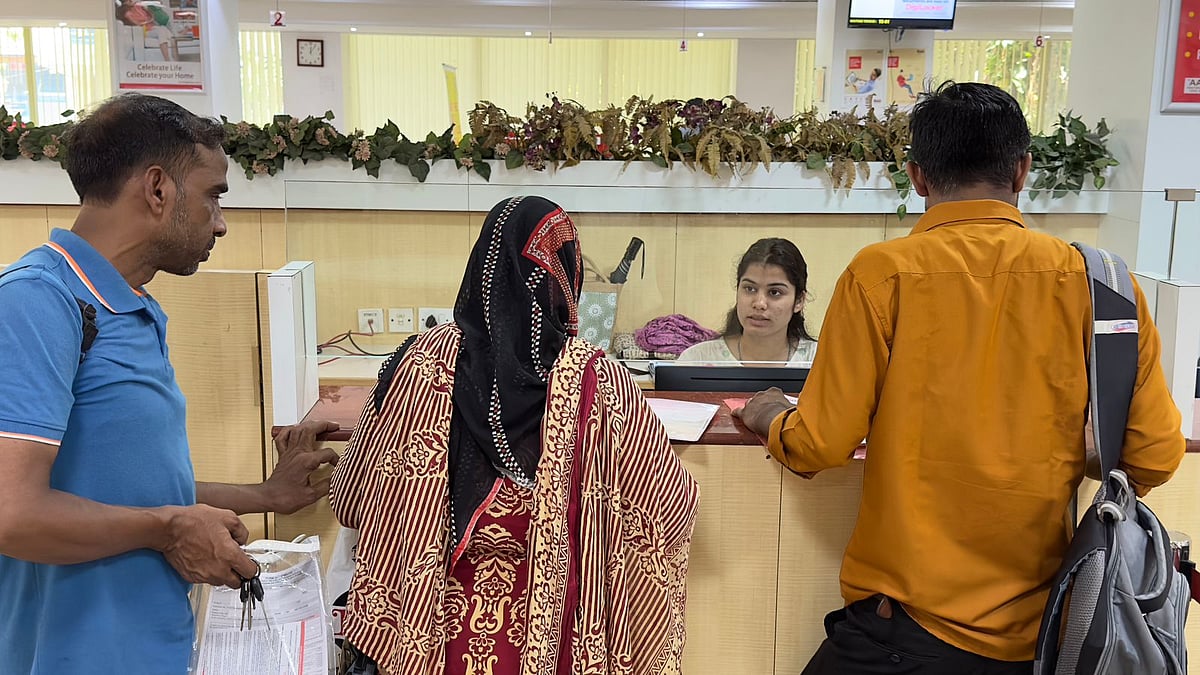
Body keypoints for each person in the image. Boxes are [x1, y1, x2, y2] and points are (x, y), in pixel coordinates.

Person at [736, 81, 1186, 673]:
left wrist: (769, 415)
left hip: (904, 630)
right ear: (1022, 170)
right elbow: (1153, 456)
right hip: (1041, 635)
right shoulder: (1099, 284)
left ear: (918, 176)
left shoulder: (881, 275)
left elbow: (820, 443)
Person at [0, 93, 340, 674]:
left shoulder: (133, 307)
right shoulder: (36, 301)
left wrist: (263, 496)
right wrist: (170, 529)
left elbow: (126, 483)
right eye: (213, 197)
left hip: (153, 646)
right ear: (157, 189)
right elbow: (12, 513)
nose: (223, 223)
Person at [329, 195, 700, 675]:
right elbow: (667, 511)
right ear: (565, 279)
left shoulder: (420, 365)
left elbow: (354, 500)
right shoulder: (600, 384)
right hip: (554, 640)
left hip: (425, 639)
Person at [678, 237, 816, 364]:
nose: (759, 304)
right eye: (750, 289)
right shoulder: (697, 359)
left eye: (775, 292)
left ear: (799, 301)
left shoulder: (819, 361)